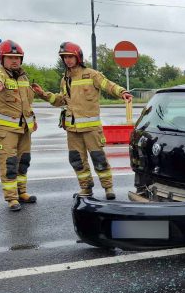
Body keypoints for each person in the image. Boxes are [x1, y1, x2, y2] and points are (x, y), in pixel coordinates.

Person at [32, 42, 132, 199]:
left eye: (70, 56)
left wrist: (122, 92)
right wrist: (43, 94)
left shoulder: (92, 74)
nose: (68, 60)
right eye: (65, 57)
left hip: (91, 129)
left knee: (99, 159)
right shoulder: (65, 79)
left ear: (78, 56)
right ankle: (86, 188)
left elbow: (108, 85)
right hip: (72, 130)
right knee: (77, 160)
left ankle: (108, 188)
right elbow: (61, 100)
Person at [0, 40, 37, 211]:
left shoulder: (23, 77)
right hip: (6, 130)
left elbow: (26, 103)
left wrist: (32, 120)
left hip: (24, 128)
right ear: (2, 58)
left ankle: (22, 192)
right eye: (10, 57)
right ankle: (11, 198)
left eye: (17, 58)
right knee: (9, 163)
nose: (14, 61)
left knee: (23, 161)